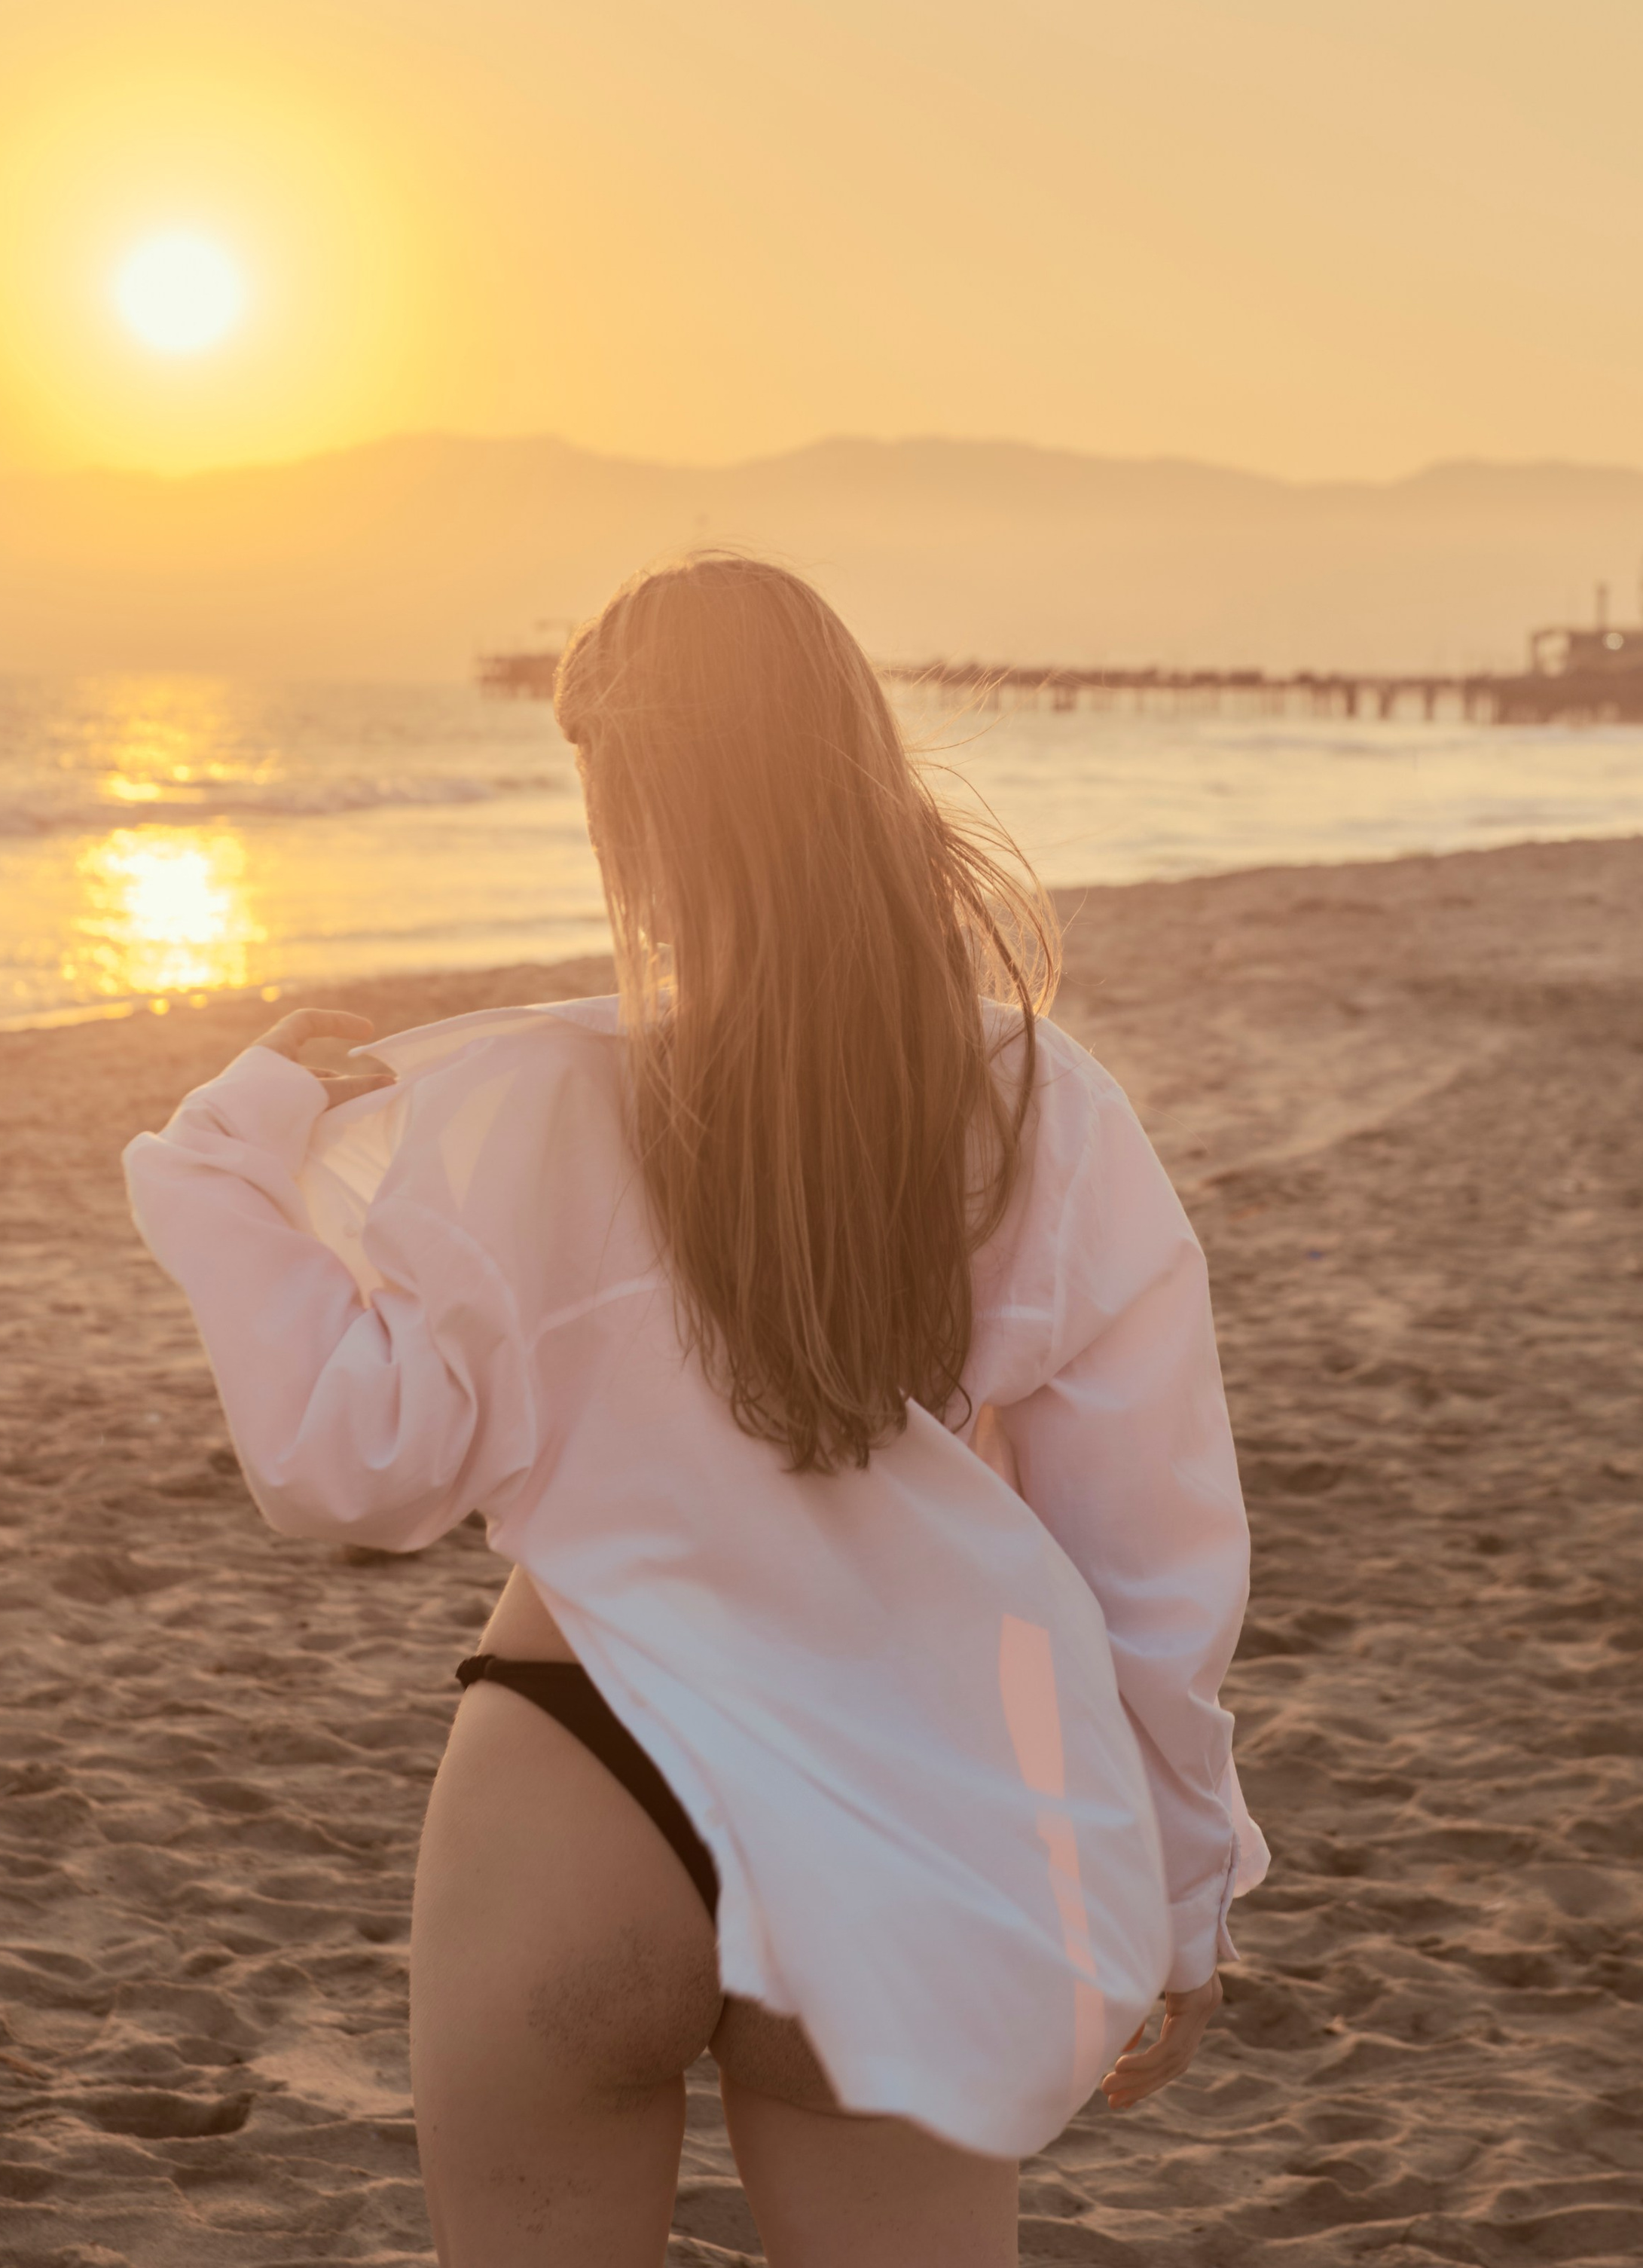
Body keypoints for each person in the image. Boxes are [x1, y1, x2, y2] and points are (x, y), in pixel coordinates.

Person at [124, 552, 1266, 2268]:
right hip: (905, 1807)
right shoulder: (1043, 1110)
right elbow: (1151, 1577)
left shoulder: (534, 1115)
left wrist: (222, 1156)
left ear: (628, 813)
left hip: (574, 1783)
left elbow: (348, 1466)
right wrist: (1180, 1903)